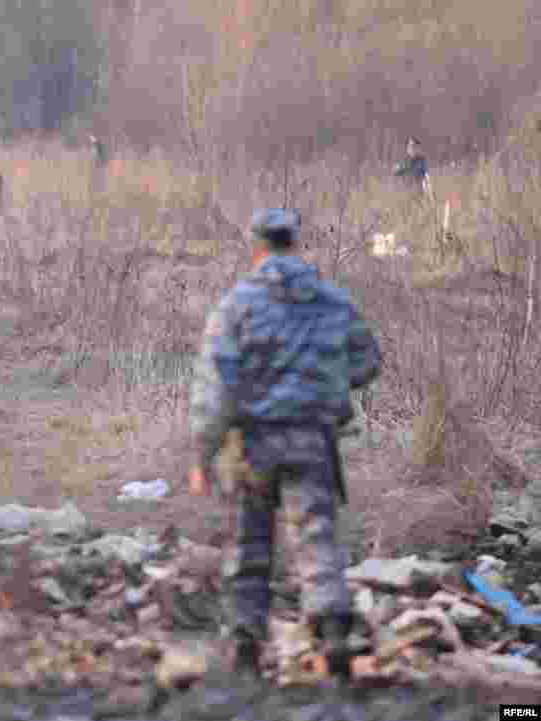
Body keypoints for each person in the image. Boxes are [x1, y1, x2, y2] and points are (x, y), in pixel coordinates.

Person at [188, 208, 382, 679]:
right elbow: (368, 362)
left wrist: (202, 452)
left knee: (250, 545)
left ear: (256, 246)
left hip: (254, 443)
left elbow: (217, 386)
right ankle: (333, 639)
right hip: (313, 439)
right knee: (317, 540)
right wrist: (325, 381)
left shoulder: (237, 303)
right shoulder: (332, 300)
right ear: (295, 243)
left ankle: (244, 650)